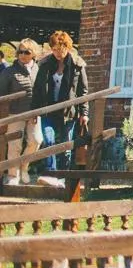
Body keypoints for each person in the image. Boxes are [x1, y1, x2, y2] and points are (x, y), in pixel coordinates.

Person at [33, 31, 89, 172]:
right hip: (48, 109)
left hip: (68, 111)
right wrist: (34, 111)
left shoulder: (77, 65)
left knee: (66, 146)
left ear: (68, 47)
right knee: (49, 141)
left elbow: (83, 91)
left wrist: (84, 113)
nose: (58, 52)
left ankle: (64, 177)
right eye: (55, 49)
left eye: (61, 49)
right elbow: (38, 90)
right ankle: (51, 173)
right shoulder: (45, 64)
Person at [1, 41, 39, 184]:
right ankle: (13, 175)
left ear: (33, 53)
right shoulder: (9, 71)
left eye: (27, 52)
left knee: (36, 140)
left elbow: (41, 90)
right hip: (15, 112)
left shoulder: (38, 69)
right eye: (20, 52)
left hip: (34, 112)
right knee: (14, 144)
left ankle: (24, 167)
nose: (23, 55)